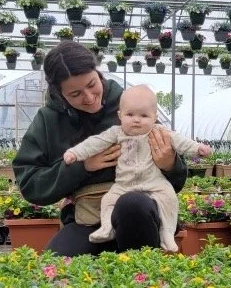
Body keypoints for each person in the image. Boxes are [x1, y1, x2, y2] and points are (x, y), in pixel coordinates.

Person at [12, 41, 189, 255]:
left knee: (132, 204)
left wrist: (169, 163)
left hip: (139, 215)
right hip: (88, 218)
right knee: (56, 266)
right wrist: (82, 166)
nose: (88, 98)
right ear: (59, 93)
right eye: (75, 94)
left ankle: (142, 278)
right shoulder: (48, 120)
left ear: (98, 72)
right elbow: (30, 183)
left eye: (91, 84)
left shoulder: (131, 105)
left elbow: (176, 180)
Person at [63, 84, 211, 251]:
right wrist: (75, 153)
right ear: (120, 115)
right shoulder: (116, 133)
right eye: (130, 114)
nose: (136, 119)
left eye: (144, 115)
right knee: (108, 200)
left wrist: (198, 149)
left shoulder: (159, 132)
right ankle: (106, 228)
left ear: (154, 118)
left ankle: (167, 234)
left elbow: (181, 142)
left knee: (169, 199)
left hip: (155, 183)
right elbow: (94, 143)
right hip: (124, 185)